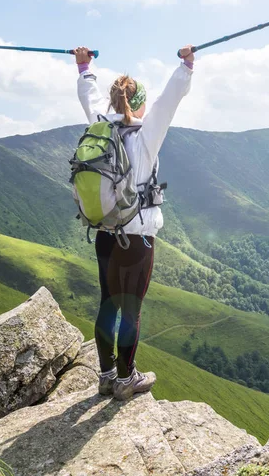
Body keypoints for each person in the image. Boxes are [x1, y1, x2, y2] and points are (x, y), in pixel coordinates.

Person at [74, 44, 194, 400]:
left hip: (105, 235)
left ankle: (107, 374)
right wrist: (186, 66)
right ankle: (127, 379)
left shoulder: (100, 126)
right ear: (139, 102)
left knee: (107, 303)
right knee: (131, 310)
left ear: (113, 103)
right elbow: (168, 102)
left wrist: (84, 67)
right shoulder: (144, 137)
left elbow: (88, 95)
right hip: (136, 240)